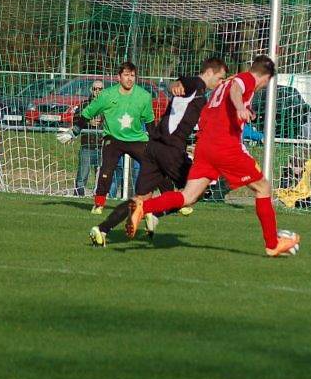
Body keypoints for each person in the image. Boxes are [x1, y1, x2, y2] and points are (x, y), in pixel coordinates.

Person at [123, 55, 300, 257]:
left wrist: (243, 109)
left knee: (188, 197)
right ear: (266, 77)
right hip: (224, 147)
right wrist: (241, 107)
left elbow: (213, 110)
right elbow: (237, 90)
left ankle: (143, 207)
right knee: (263, 187)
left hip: (205, 146)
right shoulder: (245, 79)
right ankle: (272, 243)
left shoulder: (221, 86)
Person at [89, 57, 229, 245]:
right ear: (209, 72)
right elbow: (183, 82)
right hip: (171, 150)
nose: (220, 82)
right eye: (220, 78)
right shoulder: (197, 84)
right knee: (196, 192)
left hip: (153, 148)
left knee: (140, 198)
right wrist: (176, 84)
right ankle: (154, 213)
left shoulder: (200, 94)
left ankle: (102, 229)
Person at [57, 61, 154, 214]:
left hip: (136, 139)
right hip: (113, 139)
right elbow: (87, 113)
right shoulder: (107, 95)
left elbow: (150, 122)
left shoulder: (144, 96)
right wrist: (74, 131)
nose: (130, 79)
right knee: (106, 169)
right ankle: (99, 204)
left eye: (133, 75)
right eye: (126, 75)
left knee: (155, 164)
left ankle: (174, 201)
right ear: (118, 77)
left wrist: (156, 144)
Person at [73, 80, 124, 199]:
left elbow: (115, 122)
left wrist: (103, 121)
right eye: (95, 89)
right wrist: (88, 121)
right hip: (87, 146)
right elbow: (75, 121)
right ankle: (78, 196)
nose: (97, 91)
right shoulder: (84, 105)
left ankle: (100, 198)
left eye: (100, 89)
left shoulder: (109, 104)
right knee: (82, 176)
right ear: (91, 90)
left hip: (102, 146)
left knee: (102, 176)